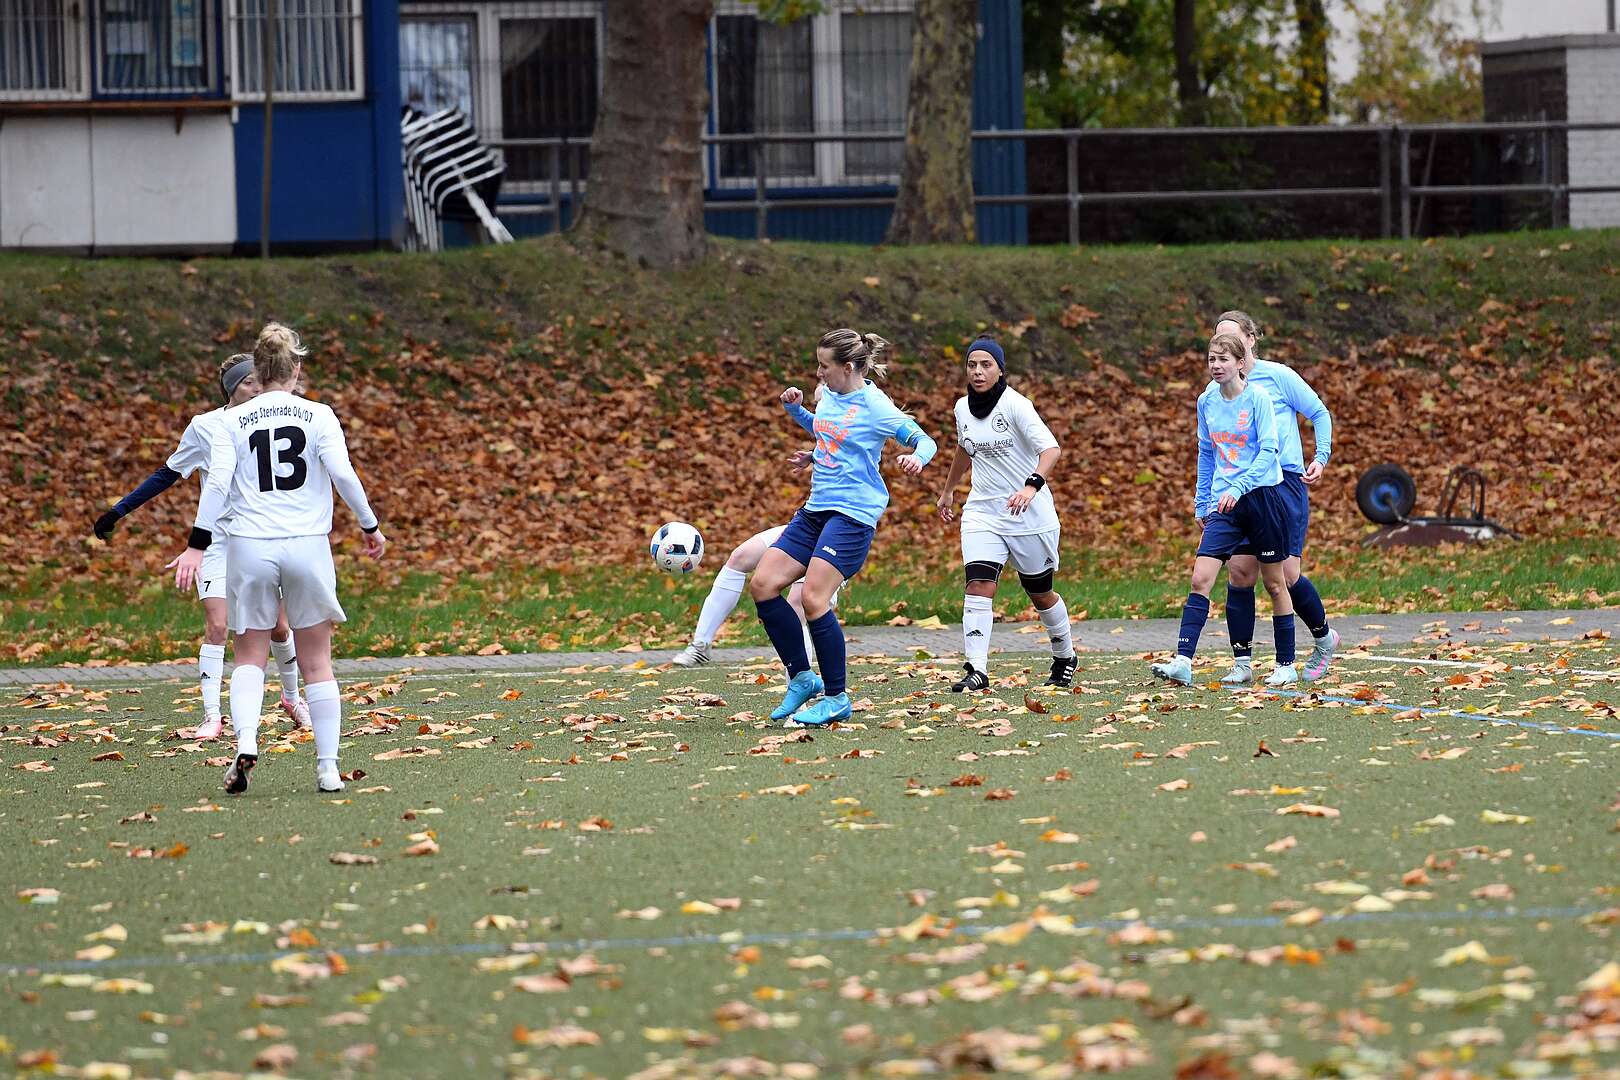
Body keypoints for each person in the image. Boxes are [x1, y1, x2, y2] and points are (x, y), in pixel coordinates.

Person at [172, 323, 386, 795]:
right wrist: (369, 525)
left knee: (250, 654)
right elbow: (343, 474)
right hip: (307, 544)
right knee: (318, 662)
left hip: (249, 546)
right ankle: (327, 769)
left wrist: (197, 543)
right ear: (296, 368)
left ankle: (247, 741)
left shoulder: (232, 421)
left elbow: (217, 485)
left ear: (259, 370)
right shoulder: (319, 414)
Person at [95, 355, 308, 739]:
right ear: (231, 389)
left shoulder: (276, 420)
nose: (256, 388)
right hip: (216, 542)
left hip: (260, 539)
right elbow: (167, 473)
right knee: (217, 625)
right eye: (247, 382)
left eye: (259, 381)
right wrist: (118, 510)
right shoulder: (206, 426)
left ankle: (292, 698)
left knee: (278, 626)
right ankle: (212, 716)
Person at [748, 329, 936, 728]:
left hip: (853, 515)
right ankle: (802, 678)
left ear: (847, 367)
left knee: (813, 598)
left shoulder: (875, 405)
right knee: (763, 584)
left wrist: (917, 458)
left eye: (824, 366)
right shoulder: (827, 394)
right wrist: (797, 413)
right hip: (817, 508)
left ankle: (836, 698)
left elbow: (925, 441)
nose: (818, 373)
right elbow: (826, 430)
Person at [1152, 333, 1298, 688]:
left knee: (1274, 583)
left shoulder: (1258, 398)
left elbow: (1269, 451)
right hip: (1224, 504)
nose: (1216, 366)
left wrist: (1239, 486)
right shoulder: (1206, 401)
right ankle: (1185, 661)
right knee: (1201, 577)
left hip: (1262, 499)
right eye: (1211, 359)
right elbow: (1206, 453)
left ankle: (1286, 664)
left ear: (1240, 363)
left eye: (1223, 359)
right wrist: (1202, 500)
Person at [934, 338, 1076, 691]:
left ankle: (1065, 655)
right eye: (972, 365)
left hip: (1029, 516)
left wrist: (1030, 487)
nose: (978, 371)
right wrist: (949, 490)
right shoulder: (962, 408)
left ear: (1000, 369)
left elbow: (1051, 450)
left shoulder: (1016, 405)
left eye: (986, 365)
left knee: (1040, 593)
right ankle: (977, 669)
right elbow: (964, 449)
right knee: (979, 584)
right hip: (982, 512)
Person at [1212, 310, 1338, 684]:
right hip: (1242, 488)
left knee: (1285, 574)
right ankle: (1242, 664)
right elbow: (1213, 446)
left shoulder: (1278, 376)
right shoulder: (1218, 389)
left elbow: (1319, 413)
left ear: (1250, 340)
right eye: (1218, 339)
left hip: (1283, 485)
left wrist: (1321, 457)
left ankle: (1324, 638)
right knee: (1239, 571)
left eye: (1233, 337)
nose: (1224, 345)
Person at [670, 524, 838, 668]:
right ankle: (700, 645)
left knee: (797, 607)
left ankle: (801, 687)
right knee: (740, 557)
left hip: (839, 531)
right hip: (809, 521)